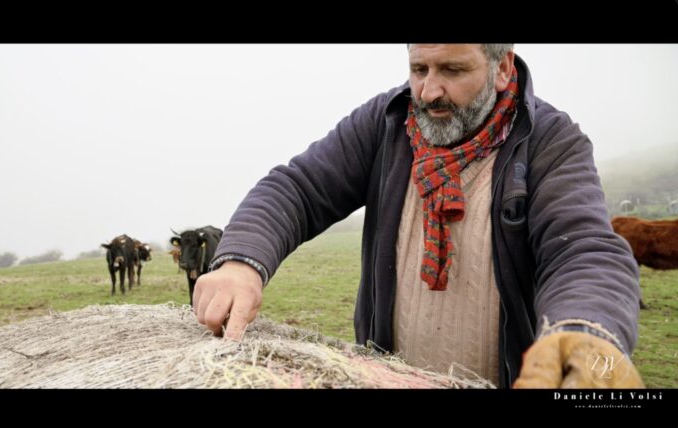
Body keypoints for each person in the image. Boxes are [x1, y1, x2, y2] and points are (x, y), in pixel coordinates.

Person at [192, 44, 644, 388]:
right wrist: (241, 261)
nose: (429, 91)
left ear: (503, 68)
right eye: (418, 69)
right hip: (385, 377)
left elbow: (581, 251)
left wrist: (583, 332)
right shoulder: (386, 122)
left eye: (453, 70)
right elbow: (298, 188)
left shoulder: (550, 142)